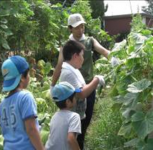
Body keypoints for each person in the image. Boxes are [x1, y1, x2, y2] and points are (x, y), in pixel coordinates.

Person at [51, 13, 115, 149]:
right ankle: (76, 143)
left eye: (82, 26)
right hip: (74, 89)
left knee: (86, 117)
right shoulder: (67, 46)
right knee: (76, 120)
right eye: (76, 27)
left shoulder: (89, 41)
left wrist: (115, 58)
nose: (80, 30)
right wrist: (52, 85)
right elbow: (59, 65)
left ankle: (80, 141)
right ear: (70, 28)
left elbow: (103, 51)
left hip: (88, 85)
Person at [0, 55, 44, 150]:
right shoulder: (25, 97)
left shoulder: (2, 104)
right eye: (28, 74)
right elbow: (31, 129)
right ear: (22, 77)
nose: (29, 77)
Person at [45, 82, 82, 150]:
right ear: (68, 101)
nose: (76, 98)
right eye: (74, 97)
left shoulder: (54, 116)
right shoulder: (74, 117)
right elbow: (71, 138)